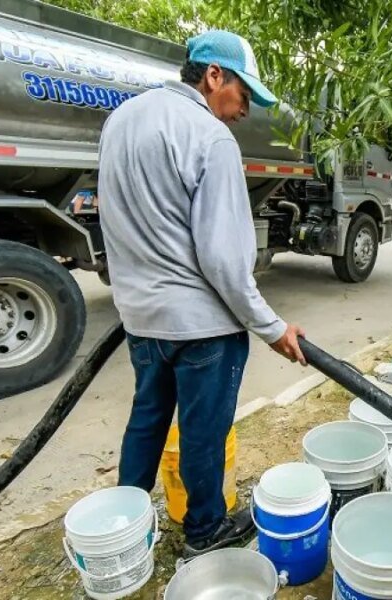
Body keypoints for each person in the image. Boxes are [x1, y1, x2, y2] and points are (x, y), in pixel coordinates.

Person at [98, 30, 307, 558]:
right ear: (214, 75)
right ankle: (205, 531)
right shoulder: (210, 138)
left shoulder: (122, 119)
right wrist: (273, 326)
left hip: (142, 319)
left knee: (147, 419)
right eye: (243, 95)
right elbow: (224, 259)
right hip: (202, 327)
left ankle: (122, 527)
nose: (244, 111)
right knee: (203, 434)